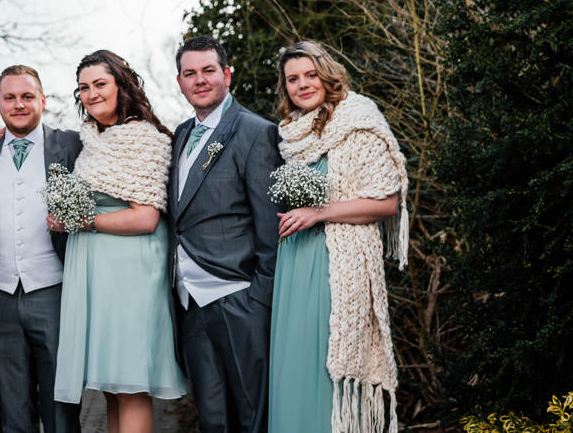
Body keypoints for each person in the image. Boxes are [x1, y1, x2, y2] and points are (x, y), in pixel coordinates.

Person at [268, 41, 407, 433]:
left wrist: (320, 213)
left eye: (311, 75)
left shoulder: (358, 120)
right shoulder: (292, 134)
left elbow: (387, 203)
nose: (303, 84)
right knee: (292, 366)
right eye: (293, 79)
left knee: (324, 368)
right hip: (295, 262)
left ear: (328, 75)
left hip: (336, 266)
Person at [52, 50, 187, 433]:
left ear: (120, 85)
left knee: (130, 387)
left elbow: (146, 217)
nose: (92, 94)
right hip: (97, 270)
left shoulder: (142, 137)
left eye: (100, 84)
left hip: (130, 273)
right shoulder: (93, 139)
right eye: (84, 87)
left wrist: (81, 221)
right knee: (112, 387)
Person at [167, 35, 281, 433]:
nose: (200, 80)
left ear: (227, 74)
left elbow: (270, 227)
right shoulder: (178, 136)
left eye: (208, 71)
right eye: (190, 73)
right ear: (179, 82)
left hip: (239, 298)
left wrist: (258, 301)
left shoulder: (255, 132)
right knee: (213, 420)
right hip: (190, 304)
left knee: (253, 417)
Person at [0, 65, 82, 433]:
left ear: (43, 101)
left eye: (27, 96)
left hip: (55, 292)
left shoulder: (70, 144)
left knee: (61, 413)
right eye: (10, 97)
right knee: (10, 413)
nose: (18, 104)